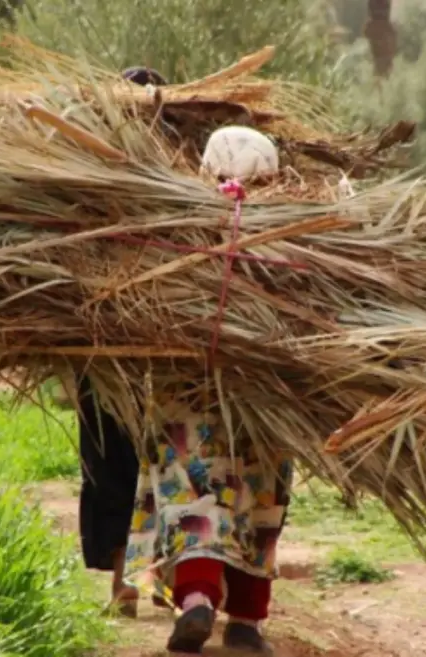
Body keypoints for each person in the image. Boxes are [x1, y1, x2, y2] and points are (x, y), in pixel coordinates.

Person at [123, 127, 291, 655]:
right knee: (256, 501)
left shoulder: (173, 225)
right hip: (264, 395)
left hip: (185, 394)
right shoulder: (298, 234)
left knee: (191, 494)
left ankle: (196, 599)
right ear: (273, 176)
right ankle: (244, 619)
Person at [76, 65, 172, 618]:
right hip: (110, 344)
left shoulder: (179, 178)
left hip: (144, 344)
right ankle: (127, 586)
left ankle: (135, 585)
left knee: (147, 464)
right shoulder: (88, 174)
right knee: (123, 463)